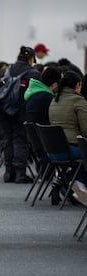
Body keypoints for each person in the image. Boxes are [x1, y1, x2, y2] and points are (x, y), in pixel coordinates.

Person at [0, 46, 41, 183]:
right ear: (31, 58)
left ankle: (9, 173)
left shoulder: (6, 70)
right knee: (21, 140)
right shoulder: (33, 73)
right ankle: (20, 173)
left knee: (7, 140)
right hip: (21, 111)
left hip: (4, 111)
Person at [48, 71, 87, 201]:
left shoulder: (54, 99)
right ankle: (76, 180)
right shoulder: (78, 100)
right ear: (77, 85)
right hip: (70, 150)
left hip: (53, 150)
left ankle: (69, 180)